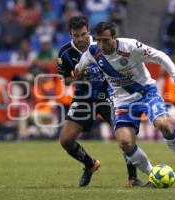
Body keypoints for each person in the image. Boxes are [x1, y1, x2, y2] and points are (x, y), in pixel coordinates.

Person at [75, 22, 175, 186]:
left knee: (164, 124)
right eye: (99, 41)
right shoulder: (93, 52)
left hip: (146, 93)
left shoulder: (131, 46)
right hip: (122, 100)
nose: (102, 45)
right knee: (124, 142)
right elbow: (78, 69)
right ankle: (154, 175)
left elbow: (161, 57)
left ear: (114, 37)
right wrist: (80, 73)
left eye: (105, 40)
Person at [58, 16, 141, 187]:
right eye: (75, 36)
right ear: (70, 34)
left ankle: (133, 178)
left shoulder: (103, 44)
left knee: (125, 134)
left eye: (82, 34)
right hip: (83, 97)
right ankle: (90, 165)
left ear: (88, 30)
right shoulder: (65, 53)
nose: (80, 39)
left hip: (109, 94)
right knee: (66, 140)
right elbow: (65, 80)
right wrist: (76, 78)